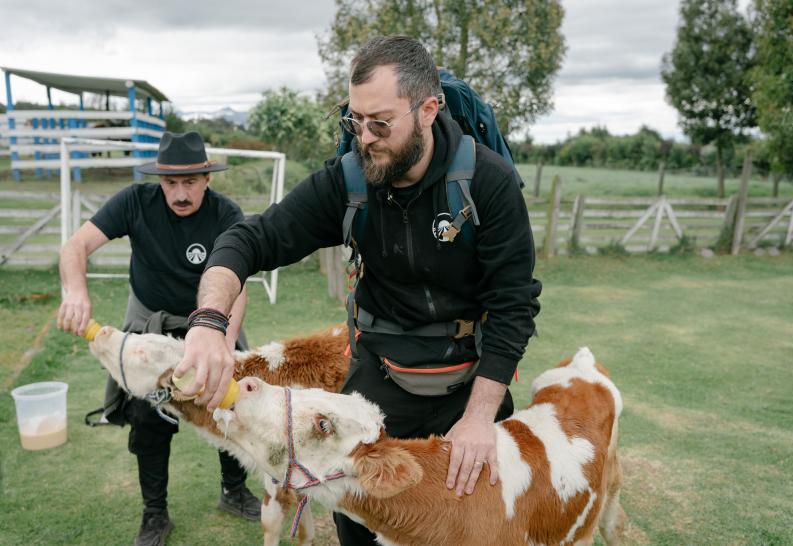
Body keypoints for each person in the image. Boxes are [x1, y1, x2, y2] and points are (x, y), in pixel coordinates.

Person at [177, 36, 541, 545]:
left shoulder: (487, 182)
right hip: (379, 381)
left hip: (469, 378)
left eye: (380, 123)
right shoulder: (348, 180)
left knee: (475, 525)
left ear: (428, 109)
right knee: (361, 526)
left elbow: (514, 305)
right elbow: (250, 239)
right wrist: (210, 323)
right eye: (354, 120)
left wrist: (480, 418)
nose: (364, 137)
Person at [57, 131, 261, 546]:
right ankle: (155, 515)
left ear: (207, 178)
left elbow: (238, 283)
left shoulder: (226, 213)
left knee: (231, 406)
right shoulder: (134, 201)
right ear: (159, 180)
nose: (180, 193)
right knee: (148, 418)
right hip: (149, 323)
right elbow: (75, 246)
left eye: (190, 182)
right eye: (171, 183)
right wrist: (75, 291)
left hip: (213, 321)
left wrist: (225, 339)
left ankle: (234, 491)